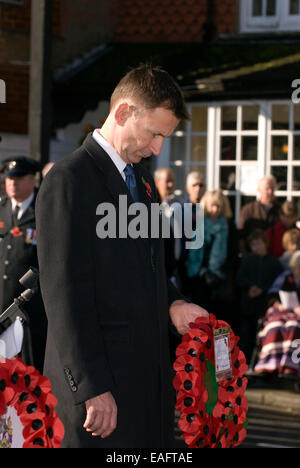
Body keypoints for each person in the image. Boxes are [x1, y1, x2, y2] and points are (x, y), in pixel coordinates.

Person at [35, 64, 208, 449]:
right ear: (123, 112)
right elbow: (63, 294)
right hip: (99, 397)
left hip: (147, 388)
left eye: (166, 137)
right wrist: (91, 386)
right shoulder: (69, 179)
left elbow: (147, 269)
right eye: (155, 134)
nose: (159, 148)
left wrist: (174, 303)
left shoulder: (144, 183)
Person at [0, 157, 47, 372]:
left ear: (32, 180)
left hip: (30, 311)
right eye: (9, 178)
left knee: (29, 372)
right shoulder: (1, 208)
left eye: (18, 178)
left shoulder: (43, 209)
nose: (12, 183)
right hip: (2, 306)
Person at [236, 229, 283, 364]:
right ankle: (244, 365)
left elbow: (278, 282)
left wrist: (263, 289)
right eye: (253, 244)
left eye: (259, 243)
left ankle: (261, 364)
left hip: (265, 307)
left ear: (265, 243)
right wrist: (250, 288)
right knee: (246, 337)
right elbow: (240, 278)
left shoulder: (274, 263)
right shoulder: (247, 261)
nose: (257, 247)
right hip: (248, 306)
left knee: (264, 337)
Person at [254, 251, 300, 378]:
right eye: (296, 267)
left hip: (297, 315)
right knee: (275, 325)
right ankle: (269, 363)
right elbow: (272, 295)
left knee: (294, 326)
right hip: (281, 310)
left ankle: (291, 366)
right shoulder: (286, 276)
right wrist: (278, 304)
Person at [186, 190, 230, 311]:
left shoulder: (228, 225)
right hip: (199, 274)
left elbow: (232, 253)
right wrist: (203, 271)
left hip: (220, 276)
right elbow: (192, 250)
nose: (216, 209)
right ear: (206, 205)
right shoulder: (197, 223)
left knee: (219, 316)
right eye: (213, 205)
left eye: (219, 206)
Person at [238, 175, 280, 253]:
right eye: (267, 189)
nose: (270, 192)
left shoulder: (280, 211)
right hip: (252, 255)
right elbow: (241, 236)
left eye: (272, 188)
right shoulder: (248, 210)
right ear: (259, 190)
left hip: (273, 256)